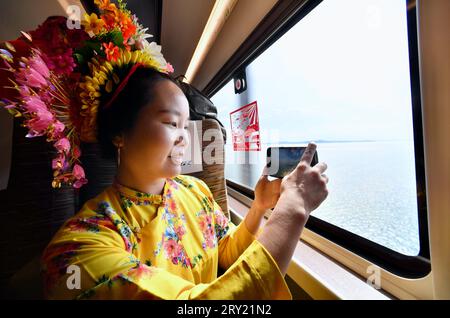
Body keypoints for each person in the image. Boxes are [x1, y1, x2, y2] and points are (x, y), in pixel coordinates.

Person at [40, 65, 329, 299]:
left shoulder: (195, 190)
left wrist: (259, 207)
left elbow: (225, 253)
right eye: (169, 123)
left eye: (185, 125)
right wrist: (293, 209)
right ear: (120, 134)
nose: (184, 137)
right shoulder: (78, 247)